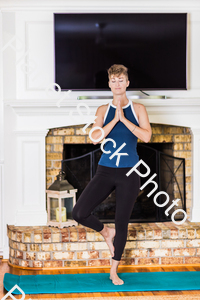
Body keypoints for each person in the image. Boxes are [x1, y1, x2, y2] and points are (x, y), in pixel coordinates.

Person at [72, 64, 152, 285]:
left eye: (121, 80)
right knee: (79, 212)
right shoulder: (102, 110)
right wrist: (115, 119)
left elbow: (146, 136)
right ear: (109, 84)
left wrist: (125, 119)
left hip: (130, 172)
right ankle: (106, 231)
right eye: (113, 80)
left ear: (127, 83)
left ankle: (113, 270)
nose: (117, 84)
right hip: (105, 171)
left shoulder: (139, 109)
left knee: (122, 222)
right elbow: (95, 138)